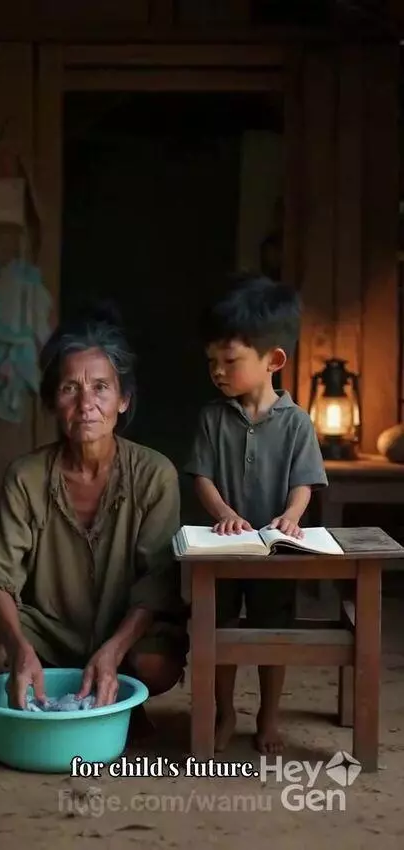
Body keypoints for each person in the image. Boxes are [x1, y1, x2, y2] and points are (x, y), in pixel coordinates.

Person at [0, 301, 189, 732]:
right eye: (70, 388)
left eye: (101, 387)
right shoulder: (26, 477)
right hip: (46, 629)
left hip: (123, 626)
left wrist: (114, 649)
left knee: (157, 662)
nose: (86, 403)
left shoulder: (154, 474)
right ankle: (41, 684)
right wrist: (21, 648)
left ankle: (117, 687)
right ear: (53, 401)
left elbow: (157, 584)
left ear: (123, 400)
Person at [184, 274, 328, 755]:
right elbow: (201, 477)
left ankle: (268, 715)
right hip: (225, 550)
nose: (218, 372)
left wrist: (291, 517)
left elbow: (304, 483)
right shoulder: (211, 418)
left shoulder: (298, 421)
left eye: (230, 361)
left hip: (275, 551)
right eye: (211, 362)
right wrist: (224, 512)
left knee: (274, 633)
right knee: (219, 630)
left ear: (274, 361)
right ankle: (225, 711)